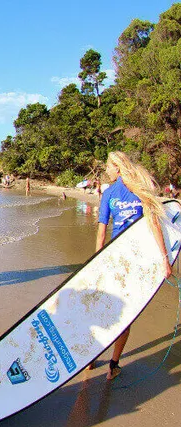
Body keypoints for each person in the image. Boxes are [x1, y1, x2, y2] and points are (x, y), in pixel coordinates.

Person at [87, 152, 173, 380]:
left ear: (117, 167)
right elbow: (153, 223)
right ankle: (113, 365)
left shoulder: (110, 193)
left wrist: (97, 262)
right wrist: (164, 258)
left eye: (108, 166)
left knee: (107, 308)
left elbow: (102, 231)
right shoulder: (139, 188)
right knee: (126, 313)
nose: (106, 170)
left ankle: (91, 357)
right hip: (135, 259)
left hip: (115, 257)